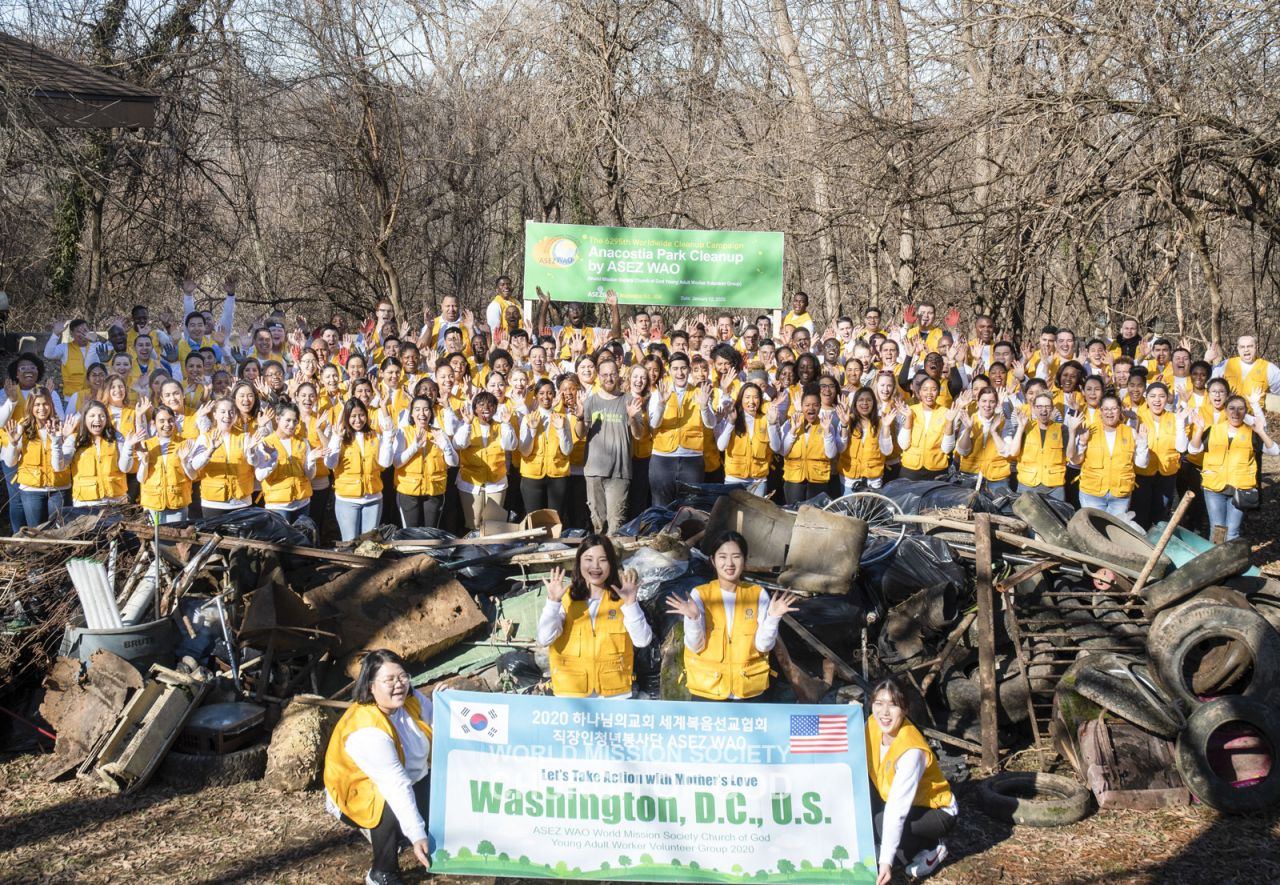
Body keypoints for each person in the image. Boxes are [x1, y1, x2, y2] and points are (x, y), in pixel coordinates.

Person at [324, 649, 433, 885]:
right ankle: (382, 873)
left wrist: (446, 702)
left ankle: (408, 834)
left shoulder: (411, 700)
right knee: (390, 802)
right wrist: (417, 834)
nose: (399, 685)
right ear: (371, 686)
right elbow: (395, 785)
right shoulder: (369, 730)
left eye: (402, 676)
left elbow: (436, 722)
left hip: (413, 780)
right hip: (360, 793)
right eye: (389, 680)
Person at [667, 531, 797, 701]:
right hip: (707, 691)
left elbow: (763, 646)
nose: (729, 563)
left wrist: (773, 617)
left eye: (736, 556)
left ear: (744, 561)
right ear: (713, 561)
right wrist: (693, 619)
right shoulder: (700, 595)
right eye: (722, 557)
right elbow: (696, 646)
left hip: (749, 691)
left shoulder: (757, 594)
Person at [865, 677, 957, 883]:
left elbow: (896, 809)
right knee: (867, 809)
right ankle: (899, 848)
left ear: (905, 709)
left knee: (881, 823)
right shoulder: (872, 724)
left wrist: (885, 862)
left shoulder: (910, 751)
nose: (884, 713)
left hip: (936, 811)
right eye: (879, 703)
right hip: (894, 798)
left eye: (893, 705)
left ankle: (932, 847)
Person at [537, 534, 651, 698]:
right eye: (588, 559)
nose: (595, 566)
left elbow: (642, 641)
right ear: (579, 563)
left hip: (614, 696)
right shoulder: (566, 598)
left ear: (611, 564)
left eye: (603, 560)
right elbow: (544, 638)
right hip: (571, 695)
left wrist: (631, 604)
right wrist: (553, 602)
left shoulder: (622, 599)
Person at [1188, 394, 1279, 542]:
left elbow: (1274, 451)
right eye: (1231, 408)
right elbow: (1193, 450)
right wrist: (1199, 430)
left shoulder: (1251, 433)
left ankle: (1232, 563)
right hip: (1214, 488)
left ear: (1245, 411)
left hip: (1240, 489)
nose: (1235, 413)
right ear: (1225, 410)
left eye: (1240, 409)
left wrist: (1261, 431)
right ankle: (1216, 563)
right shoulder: (1213, 430)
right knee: (1217, 530)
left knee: (1232, 532)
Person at [576, 358, 646, 533]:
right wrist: (579, 416)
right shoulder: (590, 402)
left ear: (619, 375)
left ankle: (614, 558)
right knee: (598, 524)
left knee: (616, 524)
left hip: (620, 472)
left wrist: (631, 418)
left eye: (612, 374)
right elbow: (580, 433)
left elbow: (638, 435)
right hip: (594, 471)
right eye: (605, 375)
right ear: (599, 377)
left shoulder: (630, 400)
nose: (609, 378)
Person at [326, 399, 397, 541]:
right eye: (353, 416)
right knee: (350, 542)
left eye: (361, 415)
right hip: (347, 499)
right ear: (347, 417)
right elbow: (330, 464)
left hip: (373, 498)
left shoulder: (375, 435)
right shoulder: (340, 436)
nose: (358, 420)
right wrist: (337, 439)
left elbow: (385, 462)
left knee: (368, 544)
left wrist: (388, 437)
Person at [2, 390, 70, 525]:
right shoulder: (21, 428)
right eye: (37, 404)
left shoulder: (61, 427)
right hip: (31, 490)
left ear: (51, 405)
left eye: (45, 404)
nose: (41, 409)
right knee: (36, 531)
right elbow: (10, 462)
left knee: (59, 533)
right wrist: (13, 443)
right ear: (30, 407)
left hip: (59, 488)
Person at [1072, 394, 1147, 516]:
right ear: (1100, 411)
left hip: (1120, 495)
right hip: (1092, 493)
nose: (1110, 413)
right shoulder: (1089, 430)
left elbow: (1141, 463)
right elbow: (1076, 459)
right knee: (1093, 530)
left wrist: (1143, 442)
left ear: (1120, 410)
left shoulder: (1130, 432)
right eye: (1106, 409)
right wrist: (1082, 441)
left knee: (1114, 531)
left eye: (1114, 408)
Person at [452, 391, 518, 530]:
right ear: (475, 408)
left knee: (493, 525)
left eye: (490, 404)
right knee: (474, 524)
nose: (486, 408)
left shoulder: (501, 426)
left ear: (495, 408)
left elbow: (510, 445)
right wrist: (467, 424)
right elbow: (459, 444)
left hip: (496, 481)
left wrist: (506, 424)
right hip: (470, 483)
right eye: (481, 404)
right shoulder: (467, 424)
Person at [128, 405, 203, 524]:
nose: (167, 425)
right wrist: (145, 461)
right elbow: (141, 478)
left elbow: (193, 476)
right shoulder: (146, 445)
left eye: (170, 420)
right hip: (152, 504)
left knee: (175, 539)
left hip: (178, 503)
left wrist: (184, 462)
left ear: (175, 421)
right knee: (155, 540)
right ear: (154, 423)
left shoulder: (185, 444)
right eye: (161, 421)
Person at [393, 395, 457, 528]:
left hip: (434, 491)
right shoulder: (403, 433)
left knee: (431, 532)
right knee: (411, 534)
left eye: (426, 409)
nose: (422, 414)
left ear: (431, 412)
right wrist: (414, 447)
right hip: (408, 491)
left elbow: (453, 462)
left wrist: (445, 447)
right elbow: (396, 462)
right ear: (411, 413)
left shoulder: (439, 433)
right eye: (417, 409)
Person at [58, 403, 138, 510]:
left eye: (102, 416)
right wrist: (56, 442)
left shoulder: (117, 437)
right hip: (85, 504)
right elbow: (60, 466)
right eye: (92, 416)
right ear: (84, 418)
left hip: (116, 501)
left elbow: (125, 468)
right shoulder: (74, 439)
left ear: (107, 418)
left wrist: (128, 446)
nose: (97, 419)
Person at [255, 403, 318, 523]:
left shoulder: (302, 442)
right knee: (281, 540)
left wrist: (312, 460)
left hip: (302, 502)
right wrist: (273, 460)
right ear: (277, 419)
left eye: (295, 421)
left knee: (301, 539)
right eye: (288, 420)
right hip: (277, 505)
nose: (291, 425)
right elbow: (259, 475)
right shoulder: (266, 443)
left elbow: (310, 475)